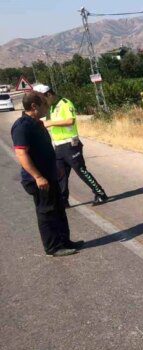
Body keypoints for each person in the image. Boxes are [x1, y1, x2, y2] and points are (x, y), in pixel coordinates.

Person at [11, 92, 83, 257]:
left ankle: (65, 241)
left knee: (58, 209)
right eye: (44, 104)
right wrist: (38, 176)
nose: (48, 107)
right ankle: (53, 247)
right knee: (47, 212)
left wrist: (55, 168)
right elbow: (22, 154)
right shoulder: (22, 126)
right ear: (34, 106)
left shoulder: (38, 123)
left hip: (50, 174)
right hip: (38, 179)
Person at [34, 84, 108, 207]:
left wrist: (50, 123)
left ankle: (100, 193)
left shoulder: (65, 103)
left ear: (49, 94)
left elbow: (70, 120)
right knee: (60, 175)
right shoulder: (50, 107)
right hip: (58, 145)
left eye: (43, 99)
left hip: (70, 144)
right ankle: (63, 200)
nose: (42, 102)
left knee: (81, 171)